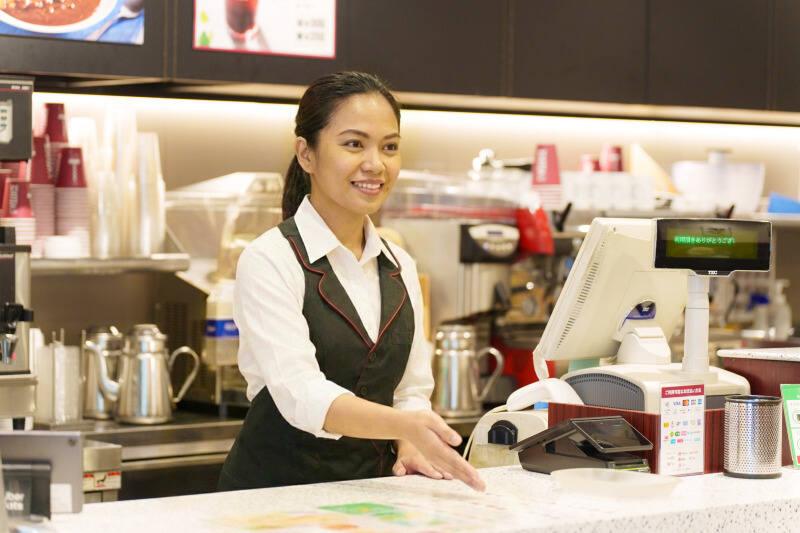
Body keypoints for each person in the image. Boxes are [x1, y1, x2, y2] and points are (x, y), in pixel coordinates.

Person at [218, 71, 485, 492]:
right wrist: (406, 426)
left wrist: (409, 440)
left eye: (390, 147)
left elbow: (411, 386)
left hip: (370, 497)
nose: (376, 164)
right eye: (354, 144)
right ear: (306, 154)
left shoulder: (400, 264)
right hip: (273, 499)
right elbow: (301, 394)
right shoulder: (269, 259)